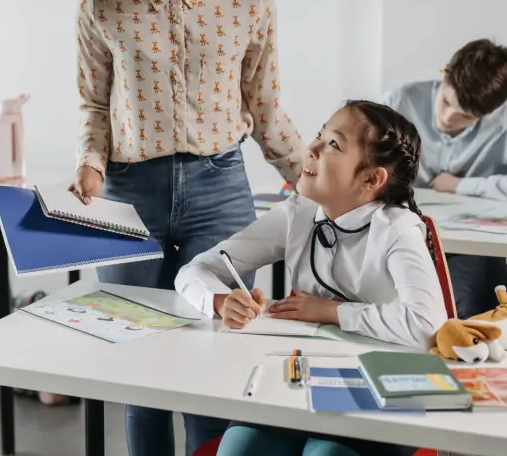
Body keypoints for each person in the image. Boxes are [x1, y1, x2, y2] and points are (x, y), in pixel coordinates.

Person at [70, 0, 303, 452]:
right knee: (138, 359)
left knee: (217, 352)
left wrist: (313, 177)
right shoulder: (100, 4)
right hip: (129, 192)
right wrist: (90, 163)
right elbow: (95, 106)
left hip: (220, 187)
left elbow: (265, 105)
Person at [176, 101, 447, 456]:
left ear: (371, 179)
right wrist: (219, 300)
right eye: (319, 135)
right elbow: (195, 270)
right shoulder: (298, 214)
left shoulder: (397, 230)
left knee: (324, 455)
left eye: (333, 144)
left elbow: (427, 324)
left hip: (382, 392)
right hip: (299, 383)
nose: (312, 148)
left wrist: (331, 311)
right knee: (237, 451)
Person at [382, 39, 507, 318]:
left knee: (476, 303)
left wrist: (460, 186)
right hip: (399, 236)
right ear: (444, 74)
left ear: (490, 113)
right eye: (445, 101)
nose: (447, 118)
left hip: (470, 250)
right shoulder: (401, 100)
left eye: (465, 117)